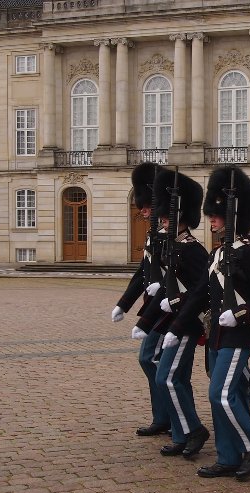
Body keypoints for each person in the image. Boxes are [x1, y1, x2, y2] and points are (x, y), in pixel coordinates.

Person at [167, 165, 250, 479]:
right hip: (217, 335)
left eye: (216, 215)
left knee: (221, 393)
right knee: (225, 396)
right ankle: (228, 456)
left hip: (239, 335)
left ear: (232, 217)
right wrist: (176, 329)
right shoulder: (219, 254)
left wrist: (242, 313)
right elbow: (200, 294)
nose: (211, 219)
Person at [142, 168, 210, 459]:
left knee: (167, 378)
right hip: (172, 321)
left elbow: (203, 291)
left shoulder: (194, 250)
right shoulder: (169, 246)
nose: (164, 222)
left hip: (187, 323)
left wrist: (179, 302)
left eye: (169, 218)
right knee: (174, 379)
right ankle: (182, 433)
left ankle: (193, 430)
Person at [111, 162, 173, 437]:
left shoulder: (170, 237)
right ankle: (163, 416)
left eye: (148, 207)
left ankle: (172, 416)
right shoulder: (153, 235)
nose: (144, 211)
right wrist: (124, 303)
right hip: (153, 307)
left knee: (153, 360)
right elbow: (142, 272)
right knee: (149, 360)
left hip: (168, 308)